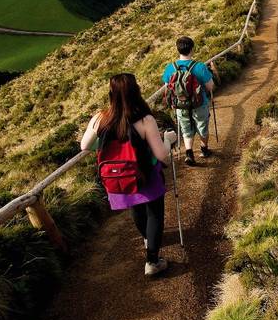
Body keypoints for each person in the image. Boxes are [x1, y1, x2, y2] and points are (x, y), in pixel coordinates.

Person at [81, 73, 177, 277]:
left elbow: (84, 145)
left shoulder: (100, 118)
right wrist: (168, 140)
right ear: (136, 91)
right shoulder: (145, 119)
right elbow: (161, 154)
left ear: (111, 94)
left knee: (137, 207)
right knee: (154, 213)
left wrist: (109, 146)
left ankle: (146, 239)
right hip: (145, 174)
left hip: (119, 177)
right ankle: (152, 261)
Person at [161, 36, 215, 166]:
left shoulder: (170, 68)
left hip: (180, 105)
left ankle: (189, 153)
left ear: (178, 50)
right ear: (192, 49)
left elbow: (167, 87)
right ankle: (204, 149)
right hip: (199, 103)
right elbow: (210, 87)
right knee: (202, 127)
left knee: (186, 130)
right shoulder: (200, 67)